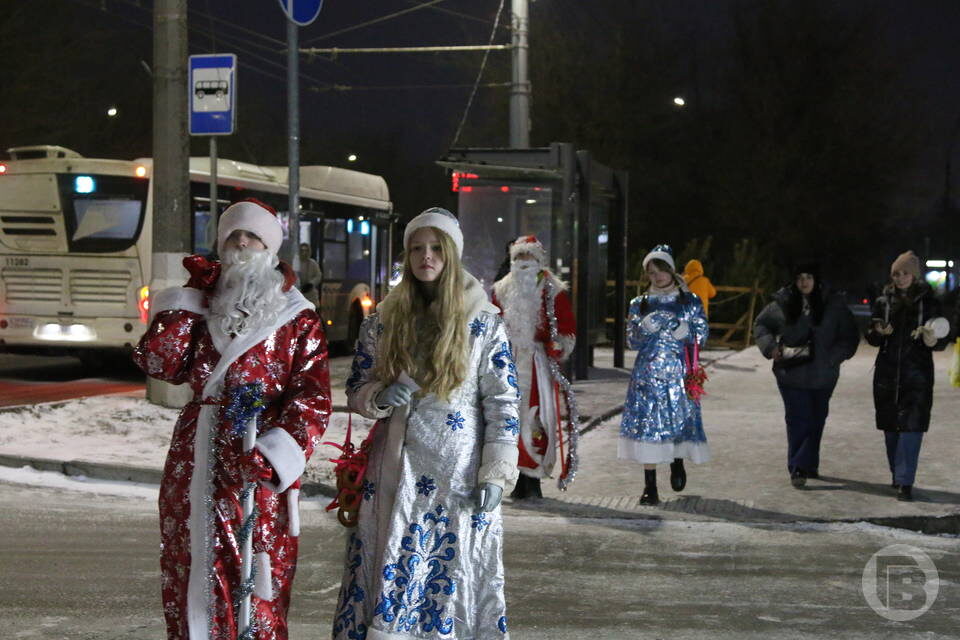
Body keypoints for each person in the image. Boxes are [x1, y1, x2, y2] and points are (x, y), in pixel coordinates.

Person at [132, 199, 331, 639]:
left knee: (255, 574)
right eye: (233, 236)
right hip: (197, 456)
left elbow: (313, 396)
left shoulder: (297, 317)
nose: (242, 243)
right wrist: (187, 297)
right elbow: (159, 363)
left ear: (271, 246)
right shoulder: (200, 303)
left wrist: (276, 453)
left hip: (256, 461)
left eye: (253, 236)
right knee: (192, 564)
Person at [333, 207, 520, 640]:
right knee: (387, 563)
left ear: (452, 254)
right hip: (393, 472)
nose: (426, 257)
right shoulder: (383, 320)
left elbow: (503, 402)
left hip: (457, 476)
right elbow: (357, 385)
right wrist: (377, 396)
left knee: (447, 577)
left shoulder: (483, 322)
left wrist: (496, 471)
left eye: (436, 248)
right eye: (417, 248)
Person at [754, 261, 859, 489]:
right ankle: (798, 467)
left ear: (816, 280)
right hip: (791, 372)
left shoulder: (833, 304)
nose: (804, 282)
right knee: (798, 419)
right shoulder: (783, 303)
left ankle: (809, 463)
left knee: (817, 419)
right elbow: (761, 325)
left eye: (809, 277)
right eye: (800, 277)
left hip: (823, 374)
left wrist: (834, 357)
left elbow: (850, 335)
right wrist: (771, 348)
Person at [619, 244, 710, 506]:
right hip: (646, 377)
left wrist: (684, 330)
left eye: (660, 270)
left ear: (670, 270)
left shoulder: (689, 301)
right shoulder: (640, 303)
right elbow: (631, 342)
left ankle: (677, 462)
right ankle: (650, 487)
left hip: (679, 375)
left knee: (677, 422)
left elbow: (701, 334)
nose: (656, 276)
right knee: (648, 428)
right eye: (651, 272)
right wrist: (643, 328)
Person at [492, 234, 578, 499]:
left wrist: (560, 345)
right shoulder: (501, 289)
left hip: (537, 363)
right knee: (508, 419)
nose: (524, 263)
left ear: (539, 260)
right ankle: (516, 476)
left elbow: (566, 326)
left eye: (529, 257)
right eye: (519, 257)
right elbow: (491, 325)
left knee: (538, 418)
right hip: (507, 365)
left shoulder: (554, 289)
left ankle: (534, 478)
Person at [865, 250, 950, 501]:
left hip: (917, 375)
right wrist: (878, 332)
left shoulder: (929, 302)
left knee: (912, 428)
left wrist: (932, 338)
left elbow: (943, 336)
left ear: (914, 276)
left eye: (905, 273)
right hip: (887, 373)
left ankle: (905, 481)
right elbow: (872, 336)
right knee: (891, 429)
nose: (900, 277)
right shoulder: (884, 301)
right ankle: (897, 473)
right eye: (896, 273)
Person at [298, 242, 323, 308]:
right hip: (299, 294)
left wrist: (311, 284)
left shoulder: (313, 263)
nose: (304, 253)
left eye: (306, 250)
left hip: (311, 295)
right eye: (302, 250)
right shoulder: (296, 263)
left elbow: (318, 275)